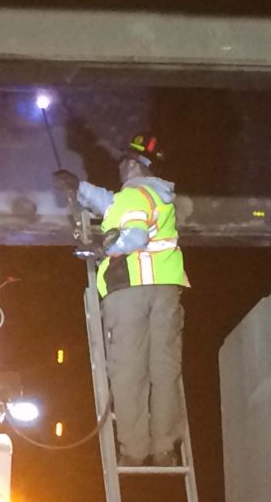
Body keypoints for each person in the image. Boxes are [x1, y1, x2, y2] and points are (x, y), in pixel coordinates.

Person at [55, 134, 189, 466]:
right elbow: (109, 204)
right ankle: (164, 449)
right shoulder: (158, 196)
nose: (121, 167)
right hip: (165, 290)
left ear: (134, 164)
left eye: (124, 162)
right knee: (165, 371)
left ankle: (134, 450)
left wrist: (102, 249)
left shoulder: (133, 195)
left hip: (130, 291)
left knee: (129, 373)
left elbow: (134, 234)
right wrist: (79, 188)